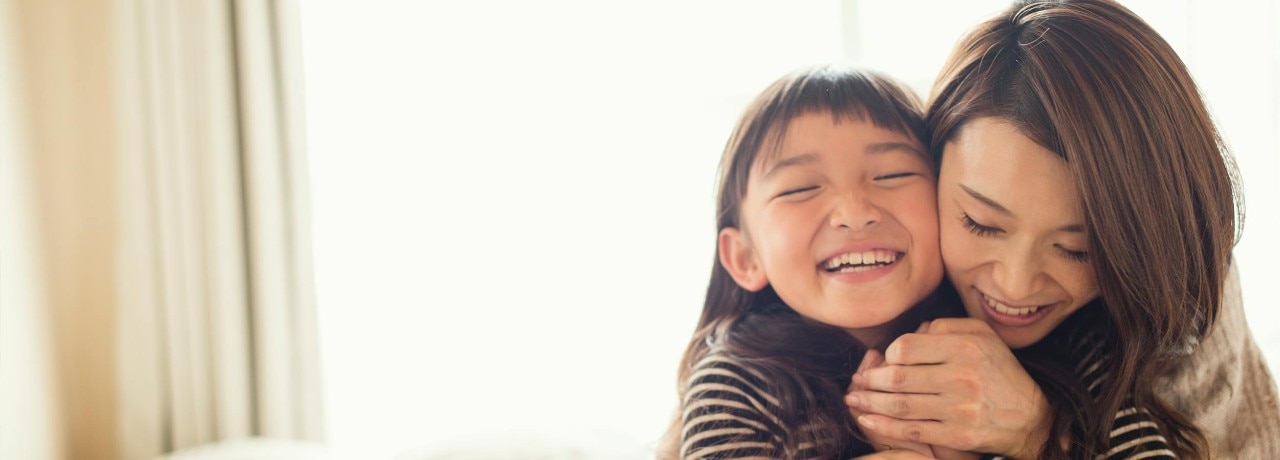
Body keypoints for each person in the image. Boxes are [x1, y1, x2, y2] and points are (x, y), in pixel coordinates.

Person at [844, 0, 1280, 458]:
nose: (1015, 284)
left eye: (1077, 249)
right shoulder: (866, 260)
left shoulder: (1181, 295)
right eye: (981, 223)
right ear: (932, 163)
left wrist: (1040, 433)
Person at [658, 65, 956, 459]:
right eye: (801, 189)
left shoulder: (997, 347)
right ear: (745, 257)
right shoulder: (738, 384)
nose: (854, 212)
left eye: (892, 174)